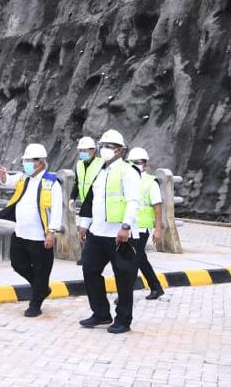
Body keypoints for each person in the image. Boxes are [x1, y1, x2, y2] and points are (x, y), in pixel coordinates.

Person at [77, 129, 142, 334]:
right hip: (98, 233)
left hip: (119, 234)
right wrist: (84, 224)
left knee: (123, 277)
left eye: (109, 147)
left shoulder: (128, 171)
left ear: (120, 151)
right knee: (90, 269)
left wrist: (126, 226)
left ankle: (124, 319)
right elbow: (91, 201)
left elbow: (134, 201)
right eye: (102, 146)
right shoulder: (101, 171)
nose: (104, 150)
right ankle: (101, 313)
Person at [0, 143, 62, 317]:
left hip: (40, 236)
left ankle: (36, 303)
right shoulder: (23, 178)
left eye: (28, 161)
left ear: (39, 163)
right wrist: (3, 176)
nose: (25, 164)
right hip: (21, 232)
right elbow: (7, 181)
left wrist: (51, 232)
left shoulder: (51, 183)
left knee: (41, 269)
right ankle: (41, 288)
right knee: (17, 264)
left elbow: (57, 210)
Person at [127, 147, 165, 300]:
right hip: (129, 226)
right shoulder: (127, 179)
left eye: (139, 162)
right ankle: (156, 287)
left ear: (145, 164)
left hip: (142, 228)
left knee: (132, 261)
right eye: (133, 162)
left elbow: (157, 207)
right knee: (140, 258)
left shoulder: (151, 182)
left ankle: (125, 293)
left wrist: (157, 230)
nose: (136, 164)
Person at [71, 135, 102, 265]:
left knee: (95, 231)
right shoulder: (79, 164)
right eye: (81, 151)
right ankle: (87, 257)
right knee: (85, 231)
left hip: (98, 202)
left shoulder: (101, 164)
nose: (82, 153)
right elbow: (78, 182)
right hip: (86, 203)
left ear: (93, 150)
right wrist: (72, 197)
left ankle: (91, 257)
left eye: (85, 150)